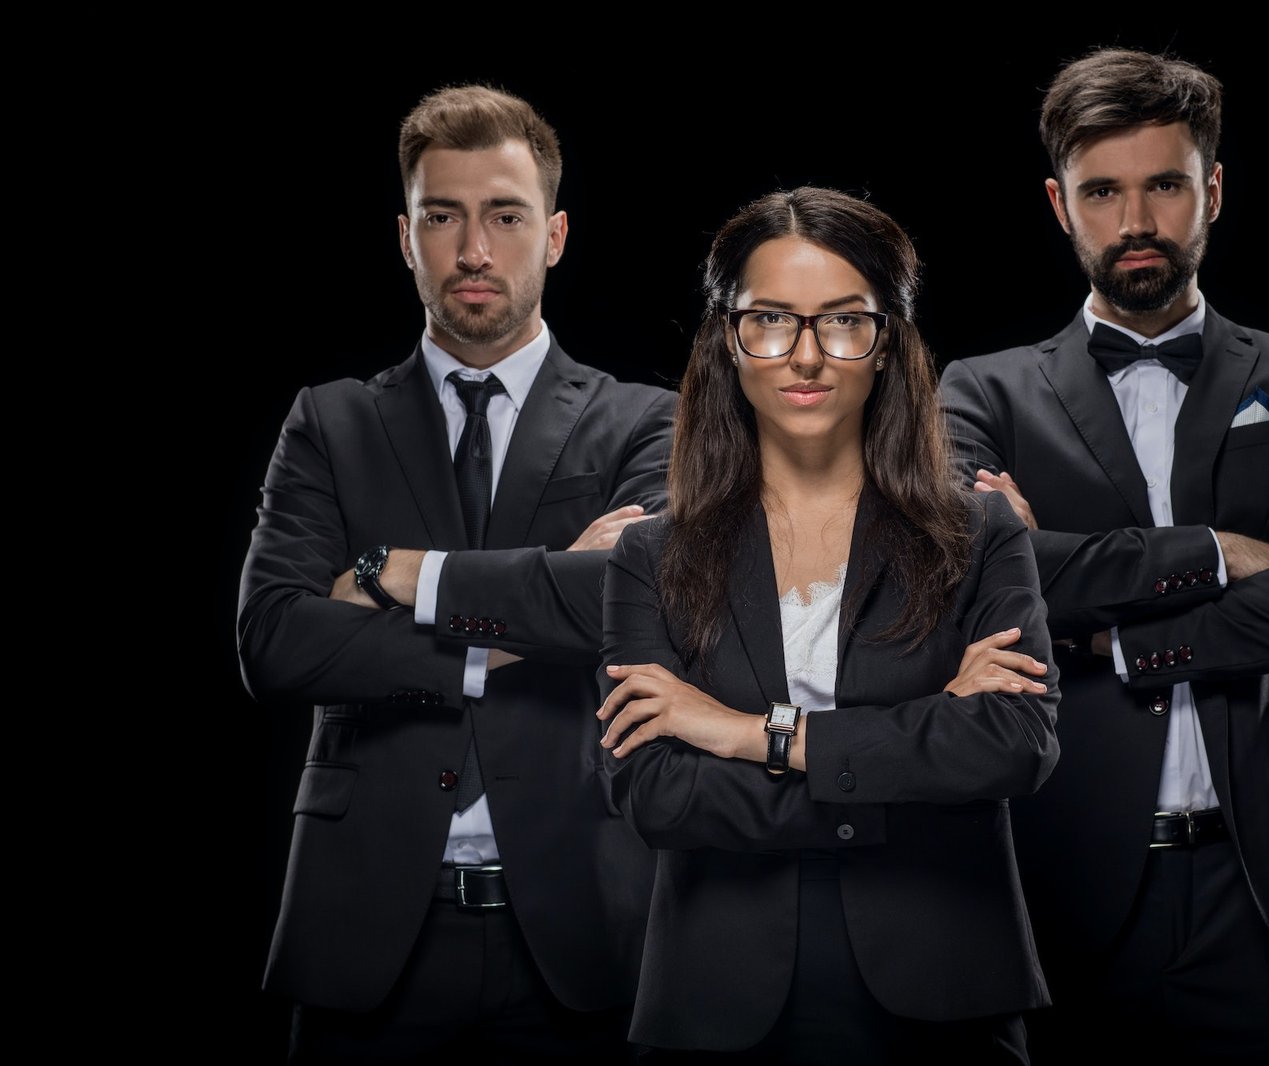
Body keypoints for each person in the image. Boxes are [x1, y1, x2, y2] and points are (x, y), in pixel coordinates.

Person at [941, 48, 1269, 1063]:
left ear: (1213, 191)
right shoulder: (979, 394)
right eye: (1101, 191)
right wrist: (1219, 552)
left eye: (1163, 185)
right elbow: (978, 586)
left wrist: (1120, 643)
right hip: (1062, 865)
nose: (1135, 220)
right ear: (1060, 205)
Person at [237, 84, 674, 1061]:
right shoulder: (331, 421)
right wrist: (518, 624)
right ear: (405, 236)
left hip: (583, 927)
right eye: (443, 217)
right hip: (365, 932)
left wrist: (394, 575)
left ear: (555, 235)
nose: (474, 250)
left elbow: (627, 605)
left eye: (505, 216)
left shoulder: (646, 424)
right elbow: (274, 641)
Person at [596, 187, 1059, 1063]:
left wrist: (742, 733)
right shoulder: (648, 554)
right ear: (727, 342)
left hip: (946, 982)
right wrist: (905, 767)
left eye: (844, 321)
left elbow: (1012, 744)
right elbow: (652, 793)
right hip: (717, 993)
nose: (806, 356)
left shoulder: (979, 532)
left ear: (888, 344)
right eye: (770, 319)